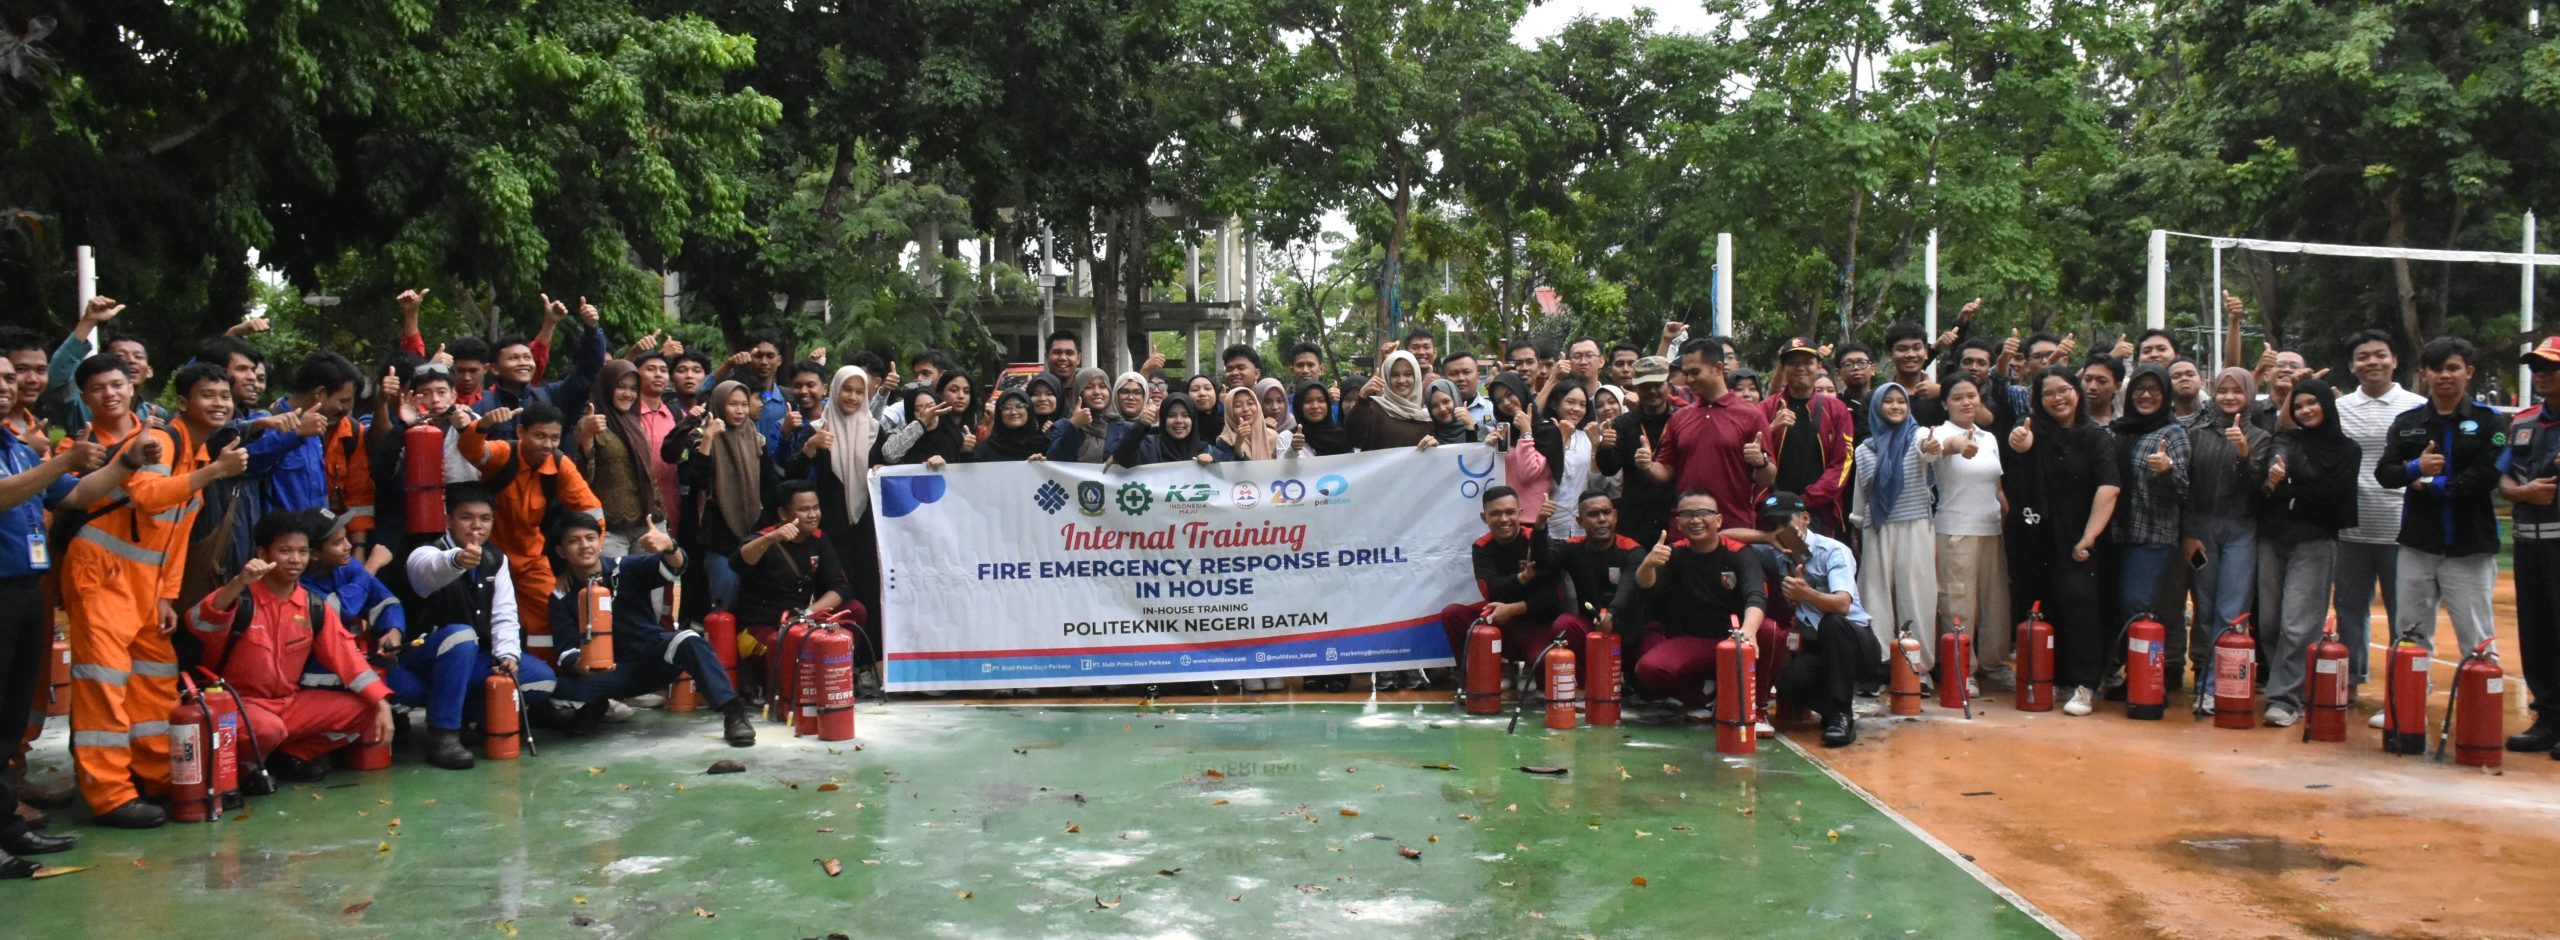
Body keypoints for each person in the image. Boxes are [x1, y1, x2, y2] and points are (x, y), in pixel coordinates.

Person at [59, 360, 248, 826]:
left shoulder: (198, 457)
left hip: (145, 588)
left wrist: (165, 595)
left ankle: (162, 778)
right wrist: (215, 473)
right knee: (105, 685)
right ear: (182, 402)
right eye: (207, 395)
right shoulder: (161, 442)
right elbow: (146, 495)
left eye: (224, 395)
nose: (219, 403)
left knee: (154, 686)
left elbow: (175, 537)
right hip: (101, 575)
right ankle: (110, 796)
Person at [190, 511, 396, 783]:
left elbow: (349, 660)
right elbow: (198, 622)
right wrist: (238, 583)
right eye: (285, 551)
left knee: (366, 712)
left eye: (302, 551)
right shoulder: (241, 597)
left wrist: (381, 703)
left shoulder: (313, 606)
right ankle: (243, 770)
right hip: (237, 704)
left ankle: (289, 756)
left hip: (287, 704)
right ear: (262, 553)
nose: (295, 560)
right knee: (268, 729)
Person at [0, 357, 104, 869]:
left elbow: (80, 494)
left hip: (24, 591)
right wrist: (64, 460)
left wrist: (128, 465)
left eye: (7, 378)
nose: (8, 386)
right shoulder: (30, 457)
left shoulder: (19, 451)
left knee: (9, 716)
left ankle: (7, 831)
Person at [2371, 337, 2507, 727]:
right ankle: (2405, 702)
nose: (2444, 376)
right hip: (2418, 542)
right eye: (2436, 369)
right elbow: (2386, 472)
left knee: (2475, 631)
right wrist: (2415, 470)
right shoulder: (2410, 422)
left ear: (2469, 372)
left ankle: (2481, 711)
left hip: (2469, 545)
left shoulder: (2489, 421)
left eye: (2453, 368)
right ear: (2424, 374)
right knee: (2409, 629)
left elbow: (2488, 474)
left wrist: (2433, 484)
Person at [544, 515, 755, 744]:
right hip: (607, 673)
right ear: (561, 551)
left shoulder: (623, 568)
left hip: (650, 660)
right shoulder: (561, 595)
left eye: (590, 538)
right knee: (558, 687)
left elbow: (673, 567)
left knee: (689, 639)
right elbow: (565, 649)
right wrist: (583, 666)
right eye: (574, 541)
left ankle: (734, 713)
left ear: (600, 541)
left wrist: (669, 546)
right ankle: (596, 704)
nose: (585, 546)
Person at [399, 485, 560, 767]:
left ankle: (468, 713)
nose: (477, 526)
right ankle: (444, 734)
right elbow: (429, 571)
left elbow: (504, 614)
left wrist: (508, 656)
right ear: (448, 520)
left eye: (485, 519)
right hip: (424, 658)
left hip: (472, 662)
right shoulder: (425, 553)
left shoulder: (496, 559)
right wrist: (457, 560)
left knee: (540, 679)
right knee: (461, 635)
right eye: (466, 517)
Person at [2003, 368, 2119, 717]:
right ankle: (2048, 679)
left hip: (2080, 536)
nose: (2058, 398)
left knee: (2081, 604)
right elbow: (2012, 478)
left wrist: (2089, 536)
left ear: (2078, 392)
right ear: (2038, 400)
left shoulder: (2095, 437)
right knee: (2042, 605)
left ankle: (2085, 685)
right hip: (2036, 537)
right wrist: (2019, 448)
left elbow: (2109, 488)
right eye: (2049, 393)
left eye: (2064, 390)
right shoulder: (2030, 433)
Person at [458, 399, 606, 664]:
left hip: (531, 559)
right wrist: (484, 424)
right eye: (540, 436)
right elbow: (472, 450)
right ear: (520, 433)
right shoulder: (504, 454)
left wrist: (578, 561)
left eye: (554, 438)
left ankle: (545, 680)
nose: (547, 445)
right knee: (482, 619)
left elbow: (591, 512)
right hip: (486, 558)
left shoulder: (560, 465)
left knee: (550, 613)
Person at [2255, 379, 2359, 728]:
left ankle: (2286, 698)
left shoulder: (2347, 450)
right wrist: (2277, 483)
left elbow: (2333, 495)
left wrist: (2289, 489)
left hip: (2315, 542)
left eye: (2313, 403)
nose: (2305, 411)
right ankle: (2286, 684)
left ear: (2328, 404)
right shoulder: (2286, 440)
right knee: (2268, 622)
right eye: (2299, 406)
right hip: (2273, 537)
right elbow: (2271, 478)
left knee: (2297, 625)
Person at [2332, 329, 2423, 691]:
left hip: (2402, 529)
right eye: (2363, 356)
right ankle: (2350, 681)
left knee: (2406, 612)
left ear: (2394, 360)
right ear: (2352, 365)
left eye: (2380, 354)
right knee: (2350, 609)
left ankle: (2407, 686)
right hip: (2350, 529)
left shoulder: (2417, 407)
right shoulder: (2338, 410)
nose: (2372, 361)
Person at [1434, 487, 1588, 691]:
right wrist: (1523, 578)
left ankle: (1529, 668)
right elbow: (1492, 590)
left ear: (1520, 512)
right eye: (1495, 513)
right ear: (1484, 517)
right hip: (1501, 623)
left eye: (1510, 512)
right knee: (1452, 614)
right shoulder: (1481, 547)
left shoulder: (1538, 540)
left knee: (1545, 668)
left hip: (1538, 626)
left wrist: (1514, 608)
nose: (1504, 519)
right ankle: (1477, 677)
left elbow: (1553, 599)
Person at [1628, 490, 1767, 713]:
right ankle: (1700, 696)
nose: (1695, 520)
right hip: (1694, 640)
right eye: (1688, 514)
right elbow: (1646, 586)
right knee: (1649, 670)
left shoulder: (1740, 553)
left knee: (1770, 631)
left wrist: (1748, 631)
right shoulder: (1673, 552)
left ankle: (1756, 708)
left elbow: (1756, 595)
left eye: (1703, 513)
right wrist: (1648, 565)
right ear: (1678, 523)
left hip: (1736, 639)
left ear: (1719, 520)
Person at [2184, 368, 2271, 709]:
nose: (2230, 397)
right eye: (2223, 390)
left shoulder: (2261, 437)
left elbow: (2256, 490)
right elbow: (2186, 489)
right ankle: (2204, 684)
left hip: (2241, 531)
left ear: (2249, 394)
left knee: (2232, 611)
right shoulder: (2196, 434)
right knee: (2204, 608)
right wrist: (2188, 533)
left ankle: (2222, 686)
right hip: (2203, 531)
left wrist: (2245, 454)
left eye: (2238, 391)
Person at [1759, 491, 1873, 747]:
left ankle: (1843, 714)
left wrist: (1806, 594)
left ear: (1805, 519)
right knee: (1788, 683)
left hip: (1855, 642)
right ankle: (1834, 713)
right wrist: (1767, 537)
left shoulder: (1832, 550)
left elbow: (1843, 605)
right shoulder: (1777, 553)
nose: (1779, 530)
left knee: (1832, 622)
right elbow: (1725, 537)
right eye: (1772, 525)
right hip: (1818, 648)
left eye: (1783, 523)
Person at [733, 482, 858, 700]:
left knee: (855, 610)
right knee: (781, 649)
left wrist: (807, 615)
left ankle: (834, 673)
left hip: (800, 621)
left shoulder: (819, 540)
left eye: (815, 507)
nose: (812, 515)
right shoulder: (764, 538)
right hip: (762, 627)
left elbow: (840, 587)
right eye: (804, 509)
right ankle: (766, 683)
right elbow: (737, 561)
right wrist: (772, 538)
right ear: (783, 513)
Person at [2108, 363, 2191, 688]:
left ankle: (2145, 680)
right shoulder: (2119, 430)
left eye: (2154, 390)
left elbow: (2185, 486)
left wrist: (2168, 469)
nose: (2145, 396)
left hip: (2152, 536)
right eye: (2139, 390)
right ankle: (2127, 675)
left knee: (2137, 604)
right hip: (2116, 533)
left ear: (2165, 395)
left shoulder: (2173, 433)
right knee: (2119, 605)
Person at [1642, 339, 1778, 533]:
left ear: (1718, 368)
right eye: (1686, 373)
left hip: (1733, 529)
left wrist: (1760, 463)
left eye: (1695, 372)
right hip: (1686, 529)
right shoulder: (1679, 418)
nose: (1688, 380)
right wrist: (1647, 465)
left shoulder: (1751, 416)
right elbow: (1665, 472)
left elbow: (1767, 479)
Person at [669, 381, 779, 617]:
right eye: (732, 404)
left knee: (753, 606)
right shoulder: (702, 437)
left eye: (743, 405)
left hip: (754, 531)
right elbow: (698, 479)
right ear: (719, 405)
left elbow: (769, 486)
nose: (739, 411)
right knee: (724, 607)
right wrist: (708, 440)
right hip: (718, 535)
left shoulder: (755, 437)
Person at [1928, 375, 2009, 689]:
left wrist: (2004, 514)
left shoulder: (1989, 438)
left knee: (1994, 601)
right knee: (1957, 602)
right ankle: (1961, 668)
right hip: (1954, 528)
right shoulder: (1939, 433)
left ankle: (1994, 664)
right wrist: (1958, 445)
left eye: (1972, 396)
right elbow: (1940, 450)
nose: (1966, 403)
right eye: (1958, 397)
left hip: (1990, 529)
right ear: (1945, 403)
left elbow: (1997, 486)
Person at [1852, 383, 1938, 673]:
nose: (1896, 406)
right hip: (1877, 527)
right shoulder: (1865, 449)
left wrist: (1933, 447)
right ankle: (1879, 667)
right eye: (1888, 401)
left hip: (1915, 525)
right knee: (1874, 596)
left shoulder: (1920, 435)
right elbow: (1861, 493)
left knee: (1916, 594)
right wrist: (1857, 525)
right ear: (1877, 407)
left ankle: (1918, 669)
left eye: (1901, 401)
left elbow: (1930, 450)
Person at [2500, 338, 2560, 752]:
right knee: (2536, 633)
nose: (2540, 372)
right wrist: (2525, 493)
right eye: (2535, 365)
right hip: (2529, 543)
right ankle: (2549, 719)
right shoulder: (2524, 421)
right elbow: (2503, 478)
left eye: (2549, 366)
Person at [473, 296, 608, 438]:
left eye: (527, 357)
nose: (523, 363)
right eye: (513, 358)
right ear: (494, 368)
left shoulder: (552, 396)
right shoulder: (481, 407)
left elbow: (587, 373)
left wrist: (592, 329)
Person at [1762, 338, 1855, 536]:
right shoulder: (1767, 408)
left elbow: (1843, 462)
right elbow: (1752, 453)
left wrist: (1806, 500)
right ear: (1783, 368)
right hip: (1772, 509)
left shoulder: (1836, 409)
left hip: (1821, 511)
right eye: (1793, 363)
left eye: (1807, 362)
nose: (1800, 368)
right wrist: (1771, 429)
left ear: (1818, 366)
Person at [573, 360, 663, 557]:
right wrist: (587, 438)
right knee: (614, 586)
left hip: (646, 523)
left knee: (650, 584)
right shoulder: (590, 423)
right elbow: (580, 478)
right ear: (607, 387)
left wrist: (659, 521)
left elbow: (649, 474)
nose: (628, 394)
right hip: (609, 527)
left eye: (633, 389)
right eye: (621, 387)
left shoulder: (635, 424)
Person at [1596, 357, 1679, 547]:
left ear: (1669, 385)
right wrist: (1605, 448)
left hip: (1674, 512)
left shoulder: (1681, 419)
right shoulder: (1623, 423)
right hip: (1636, 516)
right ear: (1636, 388)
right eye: (1645, 386)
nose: (1652, 391)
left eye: (1657, 385)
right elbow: (1609, 469)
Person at [1534, 382, 1600, 541]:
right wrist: (1560, 439)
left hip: (1583, 523)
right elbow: (1540, 476)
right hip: (1547, 519)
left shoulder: (1588, 437)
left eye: (1582, 404)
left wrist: (1596, 447)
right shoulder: (1541, 435)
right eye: (1570, 402)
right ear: (1555, 404)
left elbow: (1598, 484)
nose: (1577, 409)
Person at [881, 374, 978, 469]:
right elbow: (890, 455)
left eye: (932, 407)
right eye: (918, 409)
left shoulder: (954, 436)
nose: (928, 414)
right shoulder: (898, 434)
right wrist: (921, 421)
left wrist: (965, 452)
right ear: (910, 413)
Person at [1344, 350, 1434, 451]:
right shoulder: (1373, 408)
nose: (1401, 380)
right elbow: (1355, 440)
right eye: (1395, 375)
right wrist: (1362, 397)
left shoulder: (1425, 419)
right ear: (1386, 377)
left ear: (1417, 377)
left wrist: (1433, 446)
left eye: (1408, 374)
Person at [1113, 396, 1216, 466]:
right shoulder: (1148, 446)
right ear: (1163, 419)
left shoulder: (1207, 450)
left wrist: (1214, 464)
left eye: (1185, 415)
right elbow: (1121, 458)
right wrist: (1141, 425)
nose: (1179, 421)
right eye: (1171, 415)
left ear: (1193, 419)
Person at [975, 389, 1050, 462]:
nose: (1013, 412)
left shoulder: (1044, 445)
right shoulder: (987, 448)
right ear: (999, 413)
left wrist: (1040, 463)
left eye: (1020, 406)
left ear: (1029, 410)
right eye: (1007, 407)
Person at [1283, 381, 1351, 457]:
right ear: (1298, 406)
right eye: (1308, 401)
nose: (1315, 406)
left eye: (1321, 401)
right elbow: (1282, 467)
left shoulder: (1342, 437)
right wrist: (1293, 450)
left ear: (1328, 404)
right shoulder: (1288, 438)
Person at [1220, 387, 1279, 462]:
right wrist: (1238, 445)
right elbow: (1232, 471)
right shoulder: (1225, 441)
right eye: (1238, 405)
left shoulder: (1273, 436)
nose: (1246, 409)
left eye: (1250, 403)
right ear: (1230, 411)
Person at [1423, 379, 1480, 446]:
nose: (1442, 409)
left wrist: (1471, 429)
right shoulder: (1428, 436)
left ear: (1456, 399)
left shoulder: (1480, 431)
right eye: (1435, 406)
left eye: (1446, 401)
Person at [2080, 355, 2123, 425]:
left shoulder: (2123, 426)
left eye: (2101, 381)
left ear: (2117, 386)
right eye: (2087, 379)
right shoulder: (2067, 420)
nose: (2092, 387)